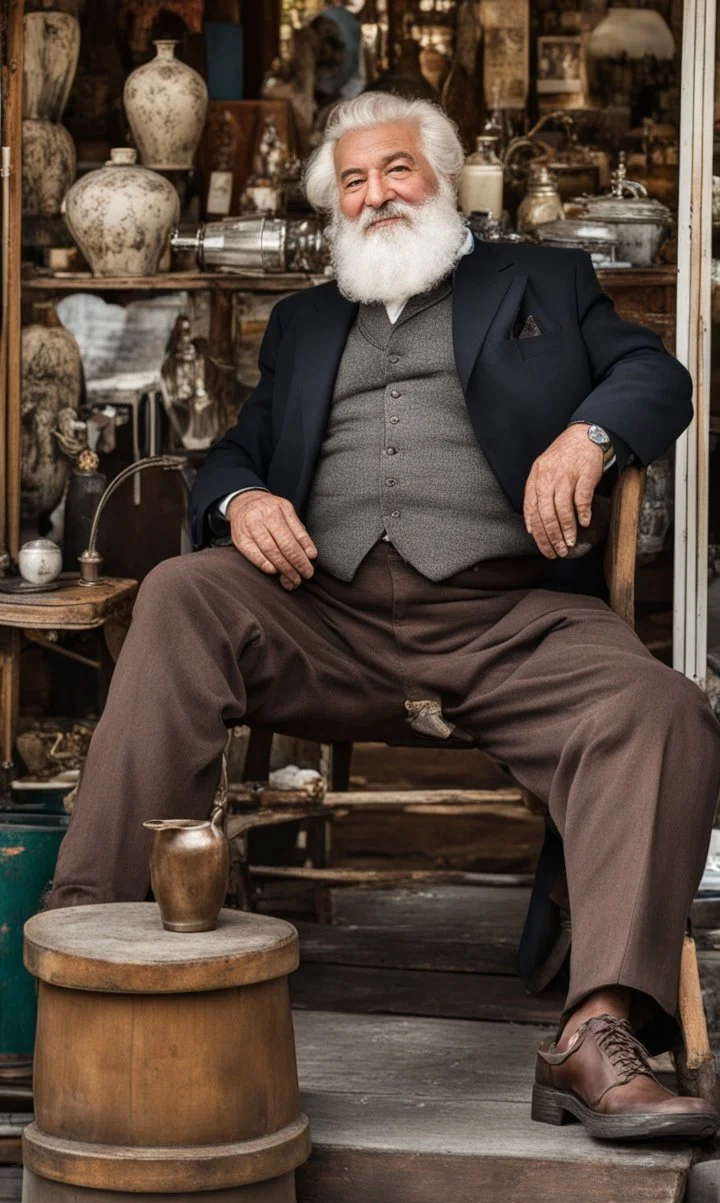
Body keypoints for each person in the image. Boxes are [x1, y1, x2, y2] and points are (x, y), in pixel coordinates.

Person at [50, 92, 720, 1142]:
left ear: (443, 179)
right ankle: (88, 945)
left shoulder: (542, 279)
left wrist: (589, 436)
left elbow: (657, 375)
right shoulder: (307, 322)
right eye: (353, 182)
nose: (377, 195)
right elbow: (232, 451)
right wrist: (244, 499)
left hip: (511, 619)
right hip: (329, 617)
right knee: (182, 593)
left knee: (664, 707)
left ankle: (598, 1028)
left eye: (397, 170)